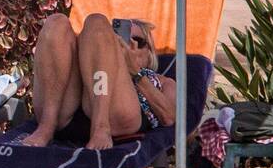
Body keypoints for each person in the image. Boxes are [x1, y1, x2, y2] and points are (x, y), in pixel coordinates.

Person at [21, 13, 176, 150]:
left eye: (138, 41)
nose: (130, 44)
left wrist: (136, 73)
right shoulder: (95, 56)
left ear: (151, 53)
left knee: (96, 20)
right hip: (70, 113)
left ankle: (101, 127)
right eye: (120, 38)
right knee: (57, 22)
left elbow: (170, 118)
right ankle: (46, 126)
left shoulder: (163, 82)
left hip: (116, 118)